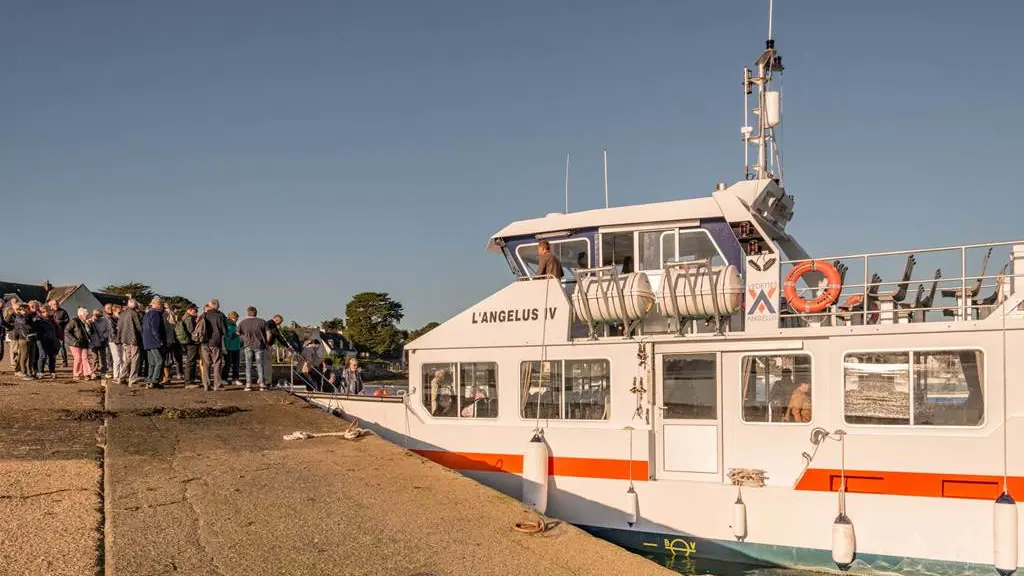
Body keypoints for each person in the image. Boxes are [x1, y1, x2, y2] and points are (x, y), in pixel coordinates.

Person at [237, 307, 268, 391]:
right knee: (259, 365)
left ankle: (248, 385)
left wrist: (244, 338)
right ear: (256, 313)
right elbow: (268, 333)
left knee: (248, 365)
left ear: (247, 313)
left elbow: (238, 333)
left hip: (247, 346)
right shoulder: (262, 321)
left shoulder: (242, 322)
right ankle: (262, 384)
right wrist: (266, 343)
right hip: (259, 346)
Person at [200, 299, 228, 392]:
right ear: (218, 306)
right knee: (217, 363)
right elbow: (224, 331)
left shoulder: (203, 315)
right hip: (215, 342)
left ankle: (206, 385)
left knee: (206, 364)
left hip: (204, 342)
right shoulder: (220, 316)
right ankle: (217, 385)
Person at [116, 299, 143, 387]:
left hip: (124, 339)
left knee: (127, 359)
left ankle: (122, 377)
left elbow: (119, 327)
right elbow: (139, 327)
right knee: (135, 359)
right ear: (135, 306)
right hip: (134, 339)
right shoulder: (134, 313)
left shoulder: (122, 314)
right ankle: (132, 379)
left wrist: (119, 339)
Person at [141, 298, 166, 388]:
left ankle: (150, 379)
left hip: (147, 341)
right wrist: (159, 340)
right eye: (162, 306)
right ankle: (154, 381)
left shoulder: (147, 314)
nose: (162, 308)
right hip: (154, 341)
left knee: (152, 362)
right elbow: (155, 329)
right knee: (159, 361)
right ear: (158, 305)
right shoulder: (156, 314)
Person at [65, 307, 94, 381]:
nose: (87, 316)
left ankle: (87, 373)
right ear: (81, 315)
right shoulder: (74, 321)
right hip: (75, 343)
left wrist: (88, 325)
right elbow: (66, 331)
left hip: (84, 343)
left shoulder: (85, 323)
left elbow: (90, 333)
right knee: (78, 358)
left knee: (85, 358)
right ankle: (76, 374)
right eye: (86, 315)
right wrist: (74, 340)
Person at [177, 304, 200, 387]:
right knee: (190, 361)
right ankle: (188, 382)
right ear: (189, 309)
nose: (196, 311)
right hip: (191, 343)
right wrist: (197, 337)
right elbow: (191, 331)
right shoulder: (189, 318)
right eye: (195, 310)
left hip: (187, 342)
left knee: (190, 361)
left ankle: (191, 380)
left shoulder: (185, 317)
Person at [34, 307, 59, 379]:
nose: (46, 313)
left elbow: (55, 331)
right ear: (40, 313)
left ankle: (52, 371)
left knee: (52, 356)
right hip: (41, 340)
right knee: (43, 355)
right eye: (43, 312)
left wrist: (56, 340)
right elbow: (36, 330)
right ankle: (40, 372)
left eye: (47, 311)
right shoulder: (38, 320)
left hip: (51, 340)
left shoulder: (51, 320)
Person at [264, 314, 286, 389]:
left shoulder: (268, 323)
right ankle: (267, 382)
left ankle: (264, 381)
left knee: (265, 364)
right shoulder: (271, 324)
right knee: (268, 365)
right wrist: (286, 345)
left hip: (265, 346)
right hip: (267, 346)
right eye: (279, 322)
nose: (279, 324)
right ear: (275, 319)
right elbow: (278, 335)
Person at [47, 299, 71, 368]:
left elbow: (67, 320)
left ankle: (65, 362)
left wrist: (60, 322)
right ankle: (50, 361)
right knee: (51, 347)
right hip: (51, 332)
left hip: (60, 332)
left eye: (57, 304)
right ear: (51, 305)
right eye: (54, 304)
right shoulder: (49, 312)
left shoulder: (63, 311)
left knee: (62, 347)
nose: (56, 305)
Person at [89, 309, 111, 376]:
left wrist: (103, 337)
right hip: (93, 342)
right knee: (95, 358)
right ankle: (93, 372)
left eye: (99, 315)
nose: (97, 317)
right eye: (96, 315)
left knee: (103, 357)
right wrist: (90, 323)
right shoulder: (90, 321)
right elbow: (88, 331)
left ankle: (103, 372)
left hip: (102, 342)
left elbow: (108, 330)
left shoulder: (105, 321)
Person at [223, 311, 242, 385]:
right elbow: (227, 336)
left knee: (236, 364)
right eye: (235, 318)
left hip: (236, 347)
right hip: (228, 347)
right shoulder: (226, 325)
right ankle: (224, 378)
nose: (236, 320)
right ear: (231, 317)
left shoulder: (235, 325)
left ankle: (236, 378)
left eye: (237, 318)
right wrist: (236, 334)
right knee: (228, 364)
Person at [107, 304, 123, 382]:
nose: (120, 314)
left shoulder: (119, 319)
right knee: (117, 359)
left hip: (119, 340)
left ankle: (121, 375)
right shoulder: (111, 320)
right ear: (114, 312)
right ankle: (116, 375)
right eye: (119, 312)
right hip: (113, 341)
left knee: (122, 359)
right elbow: (113, 332)